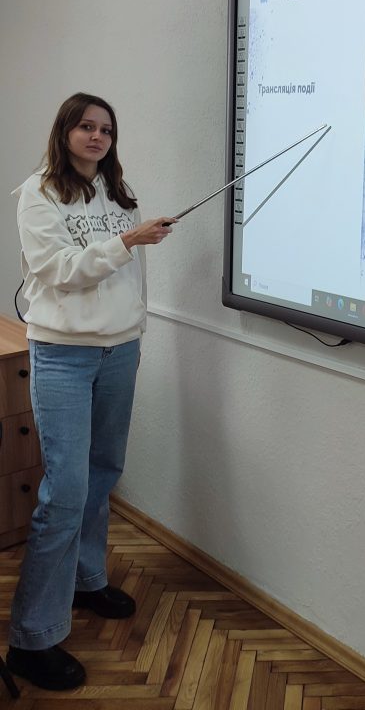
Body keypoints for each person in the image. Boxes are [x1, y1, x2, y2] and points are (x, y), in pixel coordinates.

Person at [6, 93, 176, 691]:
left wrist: (134, 320)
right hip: (63, 356)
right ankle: (32, 638)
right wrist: (127, 242)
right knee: (66, 492)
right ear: (65, 131)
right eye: (86, 126)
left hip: (120, 351)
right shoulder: (38, 193)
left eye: (106, 129)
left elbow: (127, 278)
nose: (97, 136)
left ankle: (85, 579)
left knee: (103, 472)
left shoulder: (116, 192)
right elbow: (57, 270)